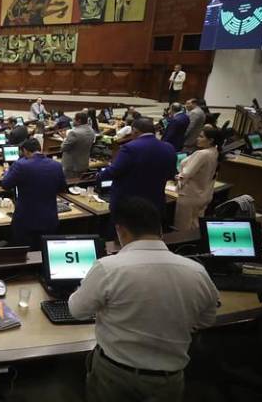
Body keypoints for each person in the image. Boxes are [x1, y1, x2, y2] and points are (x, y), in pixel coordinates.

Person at [69, 197, 218, 402]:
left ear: (121, 230)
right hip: (170, 380)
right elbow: (206, 320)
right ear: (160, 231)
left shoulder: (108, 268)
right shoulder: (197, 271)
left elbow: (77, 310)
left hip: (115, 375)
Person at [97, 118, 176, 218]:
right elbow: (171, 174)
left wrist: (99, 176)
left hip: (128, 204)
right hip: (156, 202)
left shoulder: (130, 148)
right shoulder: (169, 147)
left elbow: (113, 171)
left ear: (135, 131)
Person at [1, 138, 66, 250]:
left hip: (26, 220)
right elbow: (62, 188)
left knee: (24, 255)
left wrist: (9, 171)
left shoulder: (20, 165)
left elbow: (5, 184)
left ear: (25, 151)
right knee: (44, 253)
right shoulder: (56, 165)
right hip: (49, 219)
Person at [174, 127, 222, 231]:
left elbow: (186, 174)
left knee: (182, 228)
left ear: (210, 140)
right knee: (195, 226)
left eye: (201, 136)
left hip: (190, 196)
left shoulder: (201, 154)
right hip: (204, 194)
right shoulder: (215, 151)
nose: (197, 138)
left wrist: (176, 178)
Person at [60, 112, 96, 179]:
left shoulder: (74, 132)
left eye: (74, 119)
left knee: (70, 186)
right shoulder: (91, 130)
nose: (72, 120)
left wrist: (64, 138)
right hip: (84, 164)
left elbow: (63, 148)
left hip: (72, 167)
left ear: (79, 120)